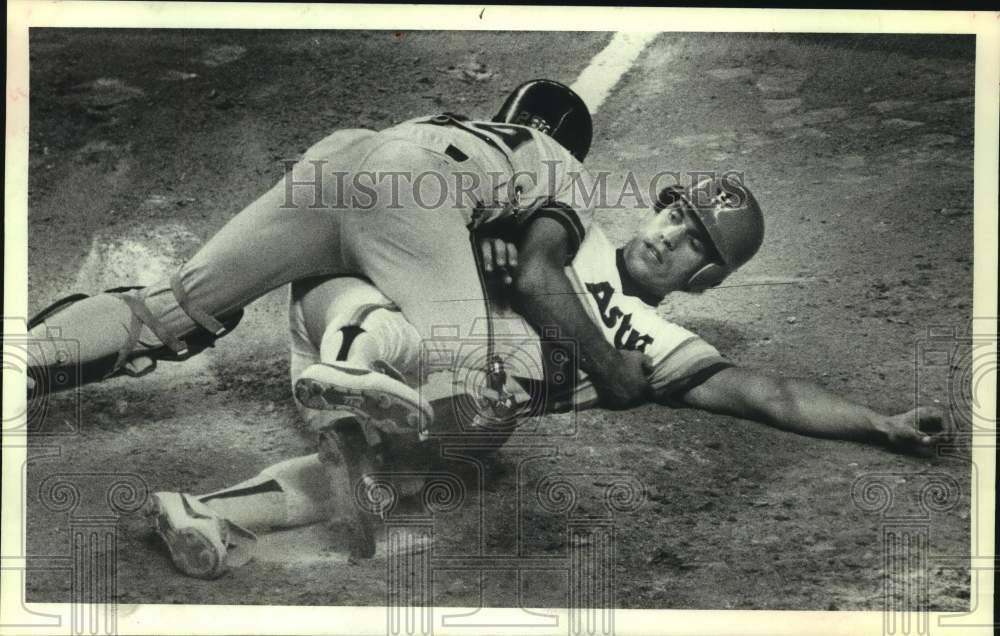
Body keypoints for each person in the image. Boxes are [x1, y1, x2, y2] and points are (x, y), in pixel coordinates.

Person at [143, 176, 954, 579]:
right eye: (674, 212)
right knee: (400, 332)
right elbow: (450, 211)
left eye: (697, 241)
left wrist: (878, 421)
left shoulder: (654, 340)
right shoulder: (572, 229)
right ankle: (352, 377)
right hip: (345, 303)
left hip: (432, 394)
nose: (672, 234)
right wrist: (492, 245)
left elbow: (766, 392)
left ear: (707, 280)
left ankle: (208, 511)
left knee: (445, 459)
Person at [27, 80, 651, 420]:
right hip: (413, 193)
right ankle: (352, 365)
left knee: (171, 311)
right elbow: (539, 271)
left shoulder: (474, 130)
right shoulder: (565, 166)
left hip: (343, 157)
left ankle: (22, 361)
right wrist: (609, 366)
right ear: (574, 145)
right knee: (474, 407)